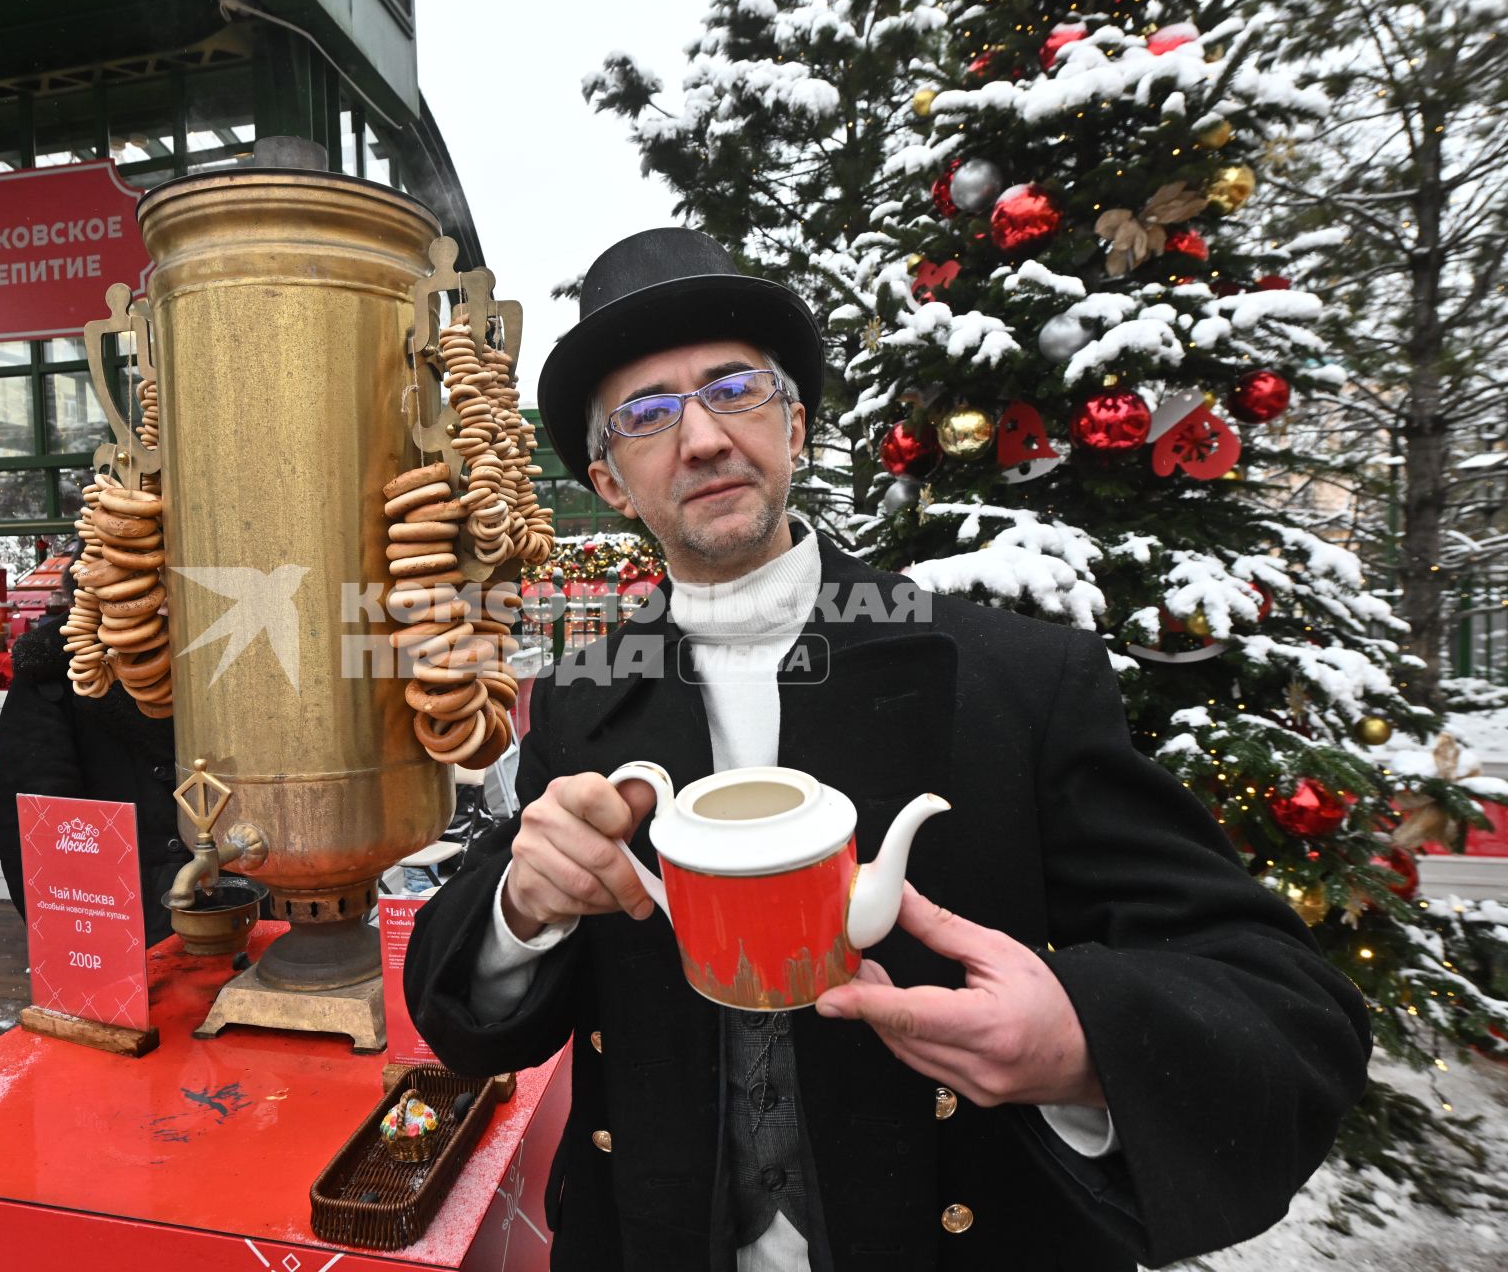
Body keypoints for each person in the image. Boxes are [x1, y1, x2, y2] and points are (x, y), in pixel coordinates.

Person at [403, 228, 1370, 1271]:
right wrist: (520, 906)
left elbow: (1283, 1000)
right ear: (609, 480)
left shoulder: (1011, 678)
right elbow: (469, 1017)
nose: (703, 438)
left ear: (797, 424)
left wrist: (1080, 1040)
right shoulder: (579, 703)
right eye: (645, 415)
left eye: (736, 388)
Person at [0, 551, 186, 946]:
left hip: (241, 908)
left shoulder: (223, 660)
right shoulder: (53, 672)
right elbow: (30, 820)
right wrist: (90, 928)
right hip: (127, 924)